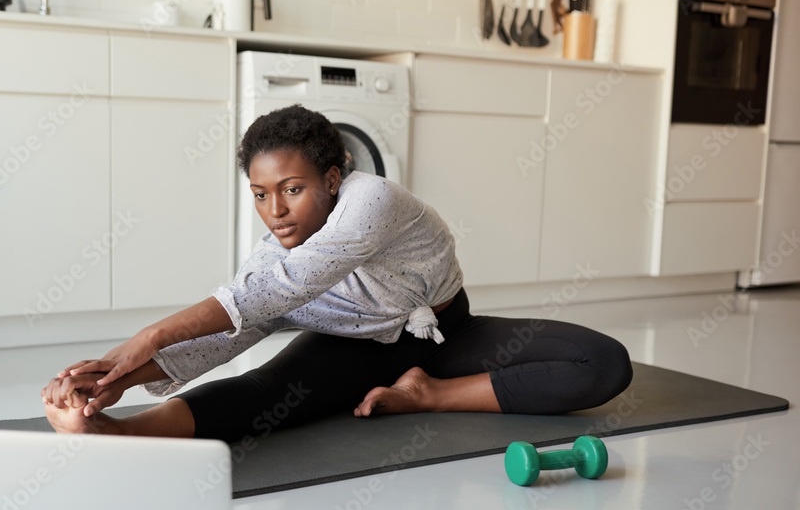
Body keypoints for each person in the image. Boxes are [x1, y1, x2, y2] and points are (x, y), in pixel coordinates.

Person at [41, 104, 633, 442]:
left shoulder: (370, 197)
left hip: (447, 337)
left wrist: (145, 336)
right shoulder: (269, 259)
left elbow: (286, 288)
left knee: (603, 363)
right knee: (261, 396)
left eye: (292, 189)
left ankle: (430, 395)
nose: (276, 211)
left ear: (331, 177)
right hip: (350, 351)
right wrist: (112, 380)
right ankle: (115, 435)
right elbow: (231, 332)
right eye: (260, 194)